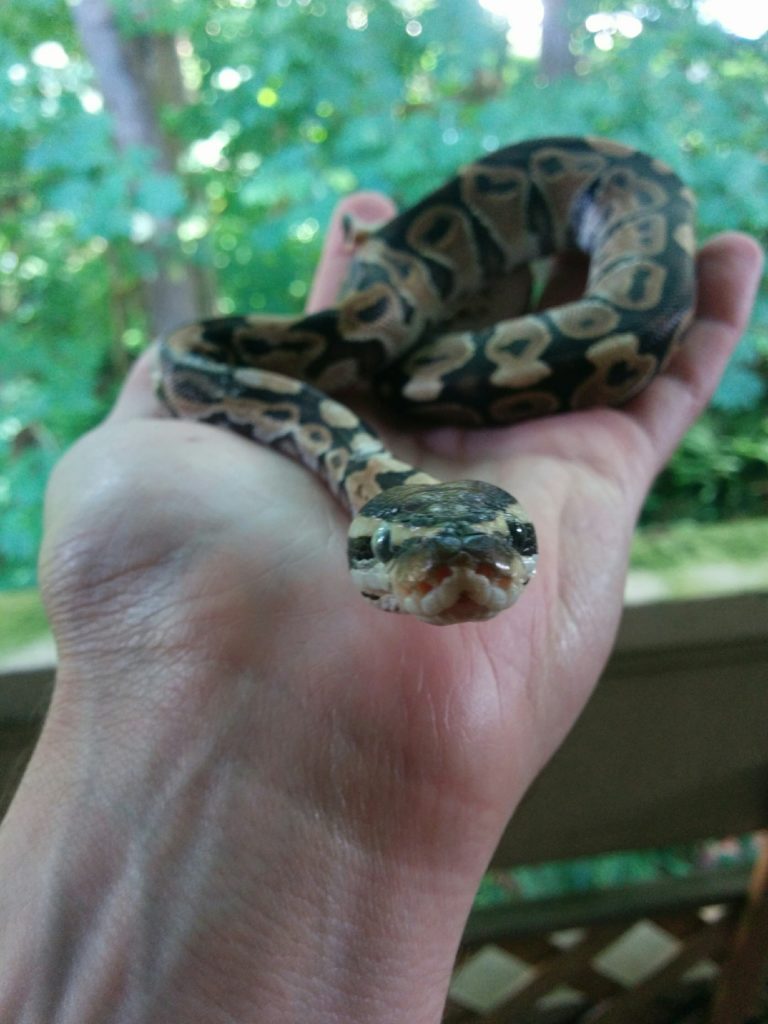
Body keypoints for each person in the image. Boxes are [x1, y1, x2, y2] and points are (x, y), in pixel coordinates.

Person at [0, 190, 761, 1023]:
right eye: (411, 561)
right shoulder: (247, 396)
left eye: (506, 549)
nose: (472, 577)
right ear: (365, 544)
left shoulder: (365, 476)